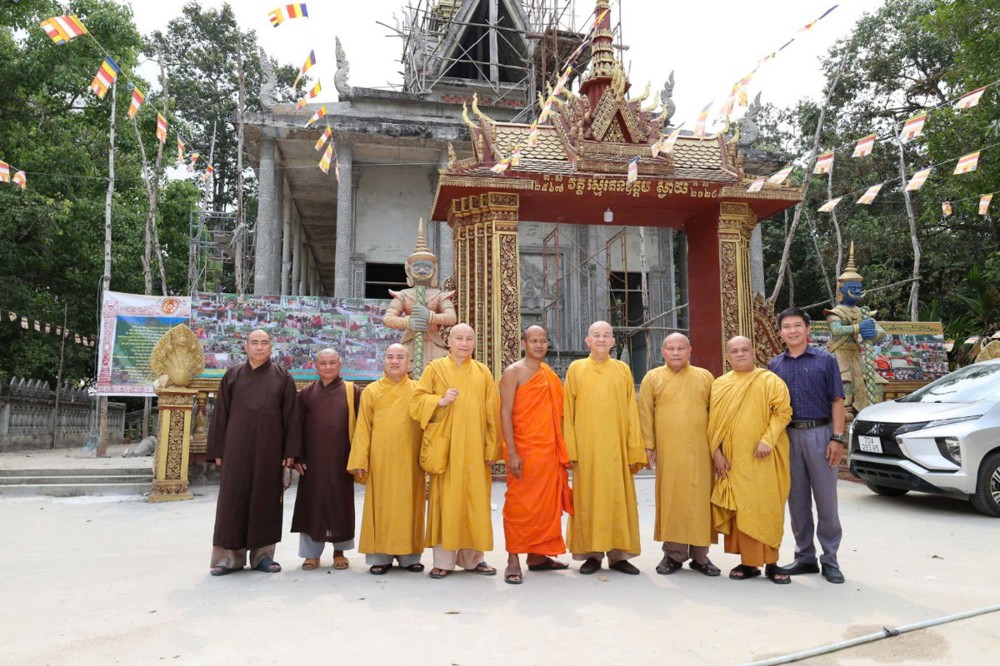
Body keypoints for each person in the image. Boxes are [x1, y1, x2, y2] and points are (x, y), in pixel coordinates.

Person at [410, 323, 500, 579]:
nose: (464, 343)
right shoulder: (435, 368)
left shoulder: (482, 372)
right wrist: (438, 401)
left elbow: (492, 413)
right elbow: (416, 402)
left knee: (475, 503)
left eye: (469, 338)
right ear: (448, 342)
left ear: (474, 343)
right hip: (447, 449)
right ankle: (444, 561)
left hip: (475, 449)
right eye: (459, 338)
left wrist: (491, 448)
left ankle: (474, 559)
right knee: (445, 503)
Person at [207, 329, 300, 576]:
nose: (259, 347)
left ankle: (263, 556)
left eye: (264, 343)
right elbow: (220, 415)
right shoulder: (232, 375)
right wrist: (218, 449)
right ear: (246, 346)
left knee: (265, 499)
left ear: (271, 347)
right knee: (232, 500)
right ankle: (228, 558)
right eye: (255, 343)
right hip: (235, 448)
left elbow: (291, 416)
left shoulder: (283, 377)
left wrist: (290, 451)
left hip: (270, 449)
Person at [769, 308, 847, 584]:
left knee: (826, 501)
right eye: (786, 326)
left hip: (820, 434)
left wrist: (837, 438)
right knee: (797, 501)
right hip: (788, 437)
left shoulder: (825, 361)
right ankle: (805, 557)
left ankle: (830, 559)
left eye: (797, 325)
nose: (792, 331)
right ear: (780, 332)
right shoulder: (774, 366)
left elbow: (837, 400)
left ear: (807, 329)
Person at [563, 321, 646, 575]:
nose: (601, 339)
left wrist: (634, 448)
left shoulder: (622, 370)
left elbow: (631, 411)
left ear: (613, 341)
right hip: (586, 449)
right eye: (596, 335)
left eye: (606, 335)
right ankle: (592, 554)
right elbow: (567, 411)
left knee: (617, 499)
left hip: (616, 449)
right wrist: (570, 450)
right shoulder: (576, 369)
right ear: (587, 341)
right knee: (588, 501)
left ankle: (619, 555)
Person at [709, 336, 793, 584]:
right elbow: (713, 423)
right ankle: (748, 563)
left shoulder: (769, 380)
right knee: (742, 510)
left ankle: (772, 562)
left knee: (766, 507)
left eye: (745, 349)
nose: (740, 354)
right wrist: (716, 453)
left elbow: (783, 412)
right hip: (733, 462)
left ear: (753, 352)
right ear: (728, 356)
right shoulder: (720, 385)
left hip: (764, 458)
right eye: (734, 351)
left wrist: (768, 439)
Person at [638, 333, 719, 577]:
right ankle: (673, 554)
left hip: (701, 451)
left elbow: (716, 415)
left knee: (700, 501)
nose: (675, 353)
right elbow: (645, 413)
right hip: (668, 450)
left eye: (680, 348)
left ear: (689, 350)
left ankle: (700, 555)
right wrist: (648, 446)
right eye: (671, 348)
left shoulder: (705, 377)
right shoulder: (652, 378)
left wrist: (717, 449)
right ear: (662, 351)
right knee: (672, 500)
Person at [499, 325, 573, 585]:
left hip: (548, 453)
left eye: (543, 341)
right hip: (525, 452)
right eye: (534, 341)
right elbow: (505, 413)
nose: (539, 345)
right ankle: (513, 559)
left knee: (546, 507)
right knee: (519, 506)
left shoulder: (548, 374)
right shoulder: (513, 372)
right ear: (524, 343)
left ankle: (538, 556)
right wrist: (512, 453)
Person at [347, 344, 427, 575]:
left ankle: (410, 556)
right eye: (390, 357)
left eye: (400, 357)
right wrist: (360, 459)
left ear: (409, 362)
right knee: (380, 507)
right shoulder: (371, 391)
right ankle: (379, 557)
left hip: (410, 460)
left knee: (410, 506)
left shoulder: (418, 390)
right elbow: (363, 427)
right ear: (383, 361)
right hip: (380, 460)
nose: (394, 361)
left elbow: (430, 425)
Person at [290, 348, 360, 571]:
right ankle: (311, 554)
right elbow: (297, 426)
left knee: (341, 505)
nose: (328, 367)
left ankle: (340, 552)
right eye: (323, 363)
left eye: (332, 362)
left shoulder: (352, 391)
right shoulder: (306, 393)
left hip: (342, 459)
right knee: (311, 505)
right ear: (316, 366)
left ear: (340, 364)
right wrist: (298, 456)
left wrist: (359, 457)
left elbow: (363, 427)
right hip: (313, 461)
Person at [383, 218, 457, 378]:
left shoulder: (439, 295)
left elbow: (451, 318)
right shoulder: (403, 295)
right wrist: (408, 322)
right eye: (417, 266)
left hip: (434, 344)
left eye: (427, 267)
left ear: (434, 270)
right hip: (410, 343)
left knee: (437, 377)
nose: (422, 270)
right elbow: (388, 319)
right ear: (409, 270)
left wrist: (429, 316)